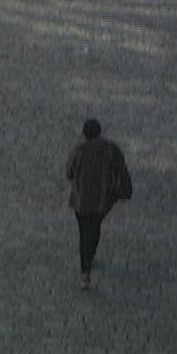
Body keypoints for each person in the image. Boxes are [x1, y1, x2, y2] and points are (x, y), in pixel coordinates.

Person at [65, 118, 132, 290]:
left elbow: (69, 173)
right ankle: (91, 254)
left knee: (84, 233)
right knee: (94, 228)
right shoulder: (110, 149)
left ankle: (85, 271)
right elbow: (121, 169)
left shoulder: (79, 151)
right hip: (102, 200)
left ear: (84, 134)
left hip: (81, 199)